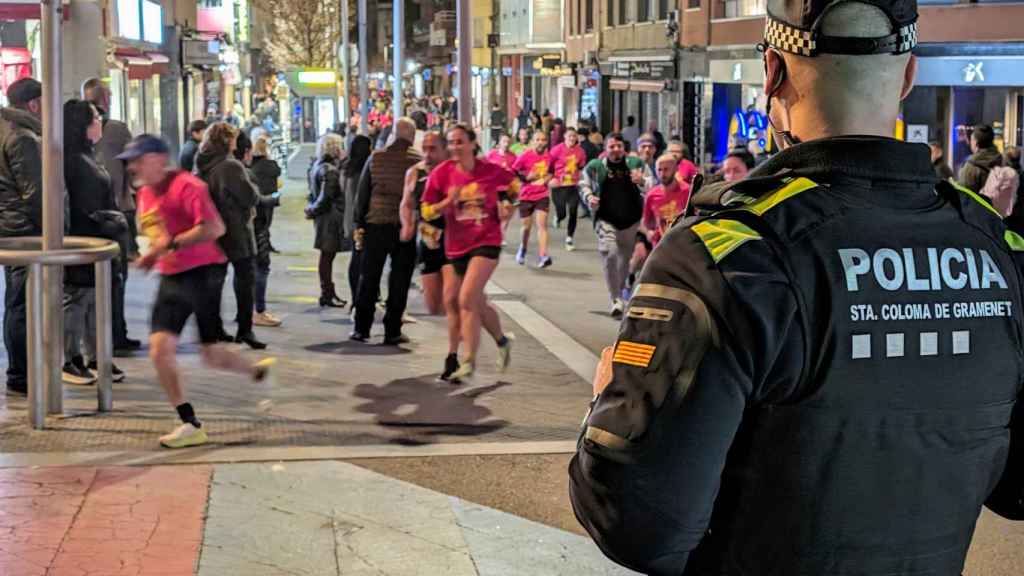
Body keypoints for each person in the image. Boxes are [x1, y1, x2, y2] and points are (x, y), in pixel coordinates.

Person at [571, 1, 1024, 574]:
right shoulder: (996, 247)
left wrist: (606, 400)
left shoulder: (727, 253)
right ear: (909, 75)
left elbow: (636, 522)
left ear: (773, 73)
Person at [124, 135, 275, 448]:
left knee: (210, 354)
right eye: (131, 161)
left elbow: (214, 228)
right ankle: (189, 422)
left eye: (139, 159)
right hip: (171, 275)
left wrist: (174, 243)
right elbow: (158, 235)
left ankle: (251, 369)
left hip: (203, 272)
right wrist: (151, 256)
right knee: (159, 350)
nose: (133, 166)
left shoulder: (189, 186)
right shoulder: (145, 193)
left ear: (158, 158)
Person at [420, 124, 517, 382]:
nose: (454, 147)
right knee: (475, 302)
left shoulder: (491, 171)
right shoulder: (442, 174)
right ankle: (502, 341)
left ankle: (468, 361)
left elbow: (515, 188)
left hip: (486, 241)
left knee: (465, 298)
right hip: (456, 246)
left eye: (460, 142)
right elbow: (426, 211)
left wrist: (508, 207)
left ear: (473, 144)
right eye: (451, 142)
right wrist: (446, 203)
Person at [62, 99, 128, 385]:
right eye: (95, 117)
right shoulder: (73, 159)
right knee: (77, 299)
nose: (100, 121)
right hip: (85, 238)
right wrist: (109, 220)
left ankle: (94, 356)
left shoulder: (88, 154)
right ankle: (70, 359)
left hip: (99, 238)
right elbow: (81, 205)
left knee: (91, 299)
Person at [194, 122, 266, 350]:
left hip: (213, 230)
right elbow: (250, 197)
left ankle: (214, 328)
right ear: (227, 141)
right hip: (235, 230)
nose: (236, 141)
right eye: (233, 137)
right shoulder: (230, 166)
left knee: (214, 281)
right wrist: (253, 188)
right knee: (245, 280)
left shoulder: (202, 163)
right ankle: (245, 330)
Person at [351, 117, 423, 344]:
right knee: (399, 279)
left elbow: (363, 194)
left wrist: (359, 223)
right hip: (405, 227)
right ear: (411, 137)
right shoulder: (418, 162)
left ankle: (361, 328)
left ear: (393, 134)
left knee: (369, 277)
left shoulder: (376, 158)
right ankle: (392, 330)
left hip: (376, 224)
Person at [82, 77, 140, 355]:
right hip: (115, 213)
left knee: (96, 282)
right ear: (105, 101)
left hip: (90, 216)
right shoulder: (116, 130)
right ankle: (114, 336)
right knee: (116, 278)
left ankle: (99, 340)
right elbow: (134, 165)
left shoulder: (72, 133)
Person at [0, 79, 41, 395]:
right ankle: (21, 375)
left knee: (17, 303)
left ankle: (20, 372)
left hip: (9, 227)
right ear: (34, 104)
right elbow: (35, 192)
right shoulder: (21, 136)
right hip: (23, 231)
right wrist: (54, 230)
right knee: (21, 304)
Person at [580, 133, 649, 318]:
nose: (615, 149)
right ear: (605, 148)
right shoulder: (595, 166)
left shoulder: (637, 164)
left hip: (631, 221)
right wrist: (589, 198)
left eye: (618, 146)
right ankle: (616, 299)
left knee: (624, 262)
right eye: (611, 146)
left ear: (623, 147)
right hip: (606, 219)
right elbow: (583, 184)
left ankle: (620, 291)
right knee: (610, 254)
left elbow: (653, 185)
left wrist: (642, 181)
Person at [400, 132, 450, 316]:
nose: (428, 154)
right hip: (428, 242)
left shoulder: (455, 171)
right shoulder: (414, 173)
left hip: (454, 242)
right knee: (434, 307)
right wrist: (407, 225)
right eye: (425, 149)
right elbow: (406, 203)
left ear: (445, 150)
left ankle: (460, 340)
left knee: (452, 299)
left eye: (433, 149)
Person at [305, 133, 348, 308]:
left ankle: (328, 293)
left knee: (326, 256)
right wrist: (313, 210)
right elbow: (326, 196)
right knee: (327, 256)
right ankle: (327, 294)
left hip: (323, 217)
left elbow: (313, 193)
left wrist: (311, 208)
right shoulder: (330, 170)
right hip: (330, 218)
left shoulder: (317, 165)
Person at [248, 136, 283, 327]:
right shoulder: (246, 172)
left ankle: (249, 312)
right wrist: (275, 197)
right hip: (256, 224)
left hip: (249, 226)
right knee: (260, 267)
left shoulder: (247, 169)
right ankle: (257, 311)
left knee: (249, 270)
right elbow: (257, 199)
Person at [512, 130, 553, 268]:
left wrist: (546, 180)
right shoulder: (525, 156)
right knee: (526, 227)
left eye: (543, 140)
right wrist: (526, 178)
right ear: (533, 141)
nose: (541, 142)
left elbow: (551, 172)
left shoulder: (549, 156)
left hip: (542, 194)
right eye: (538, 139)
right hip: (526, 195)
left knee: (542, 225)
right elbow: (514, 171)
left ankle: (543, 255)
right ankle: (523, 248)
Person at [343, 135, 373, 304]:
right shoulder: (365, 170)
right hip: (361, 220)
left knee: (356, 258)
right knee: (361, 260)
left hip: (350, 220)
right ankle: (359, 299)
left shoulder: (347, 168)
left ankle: (357, 297)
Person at [548, 127, 587, 251]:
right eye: (569, 136)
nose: (572, 138)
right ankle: (558, 217)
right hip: (558, 185)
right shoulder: (557, 149)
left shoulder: (580, 151)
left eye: (574, 136)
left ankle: (569, 238)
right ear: (565, 137)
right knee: (562, 212)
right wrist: (550, 179)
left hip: (572, 186)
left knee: (573, 210)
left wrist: (580, 179)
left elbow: (581, 167)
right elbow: (548, 164)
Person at [958, 124, 1004, 194]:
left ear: (976, 143)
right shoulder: (1002, 161)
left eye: (971, 140)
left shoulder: (970, 167)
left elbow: (963, 197)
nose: (970, 143)